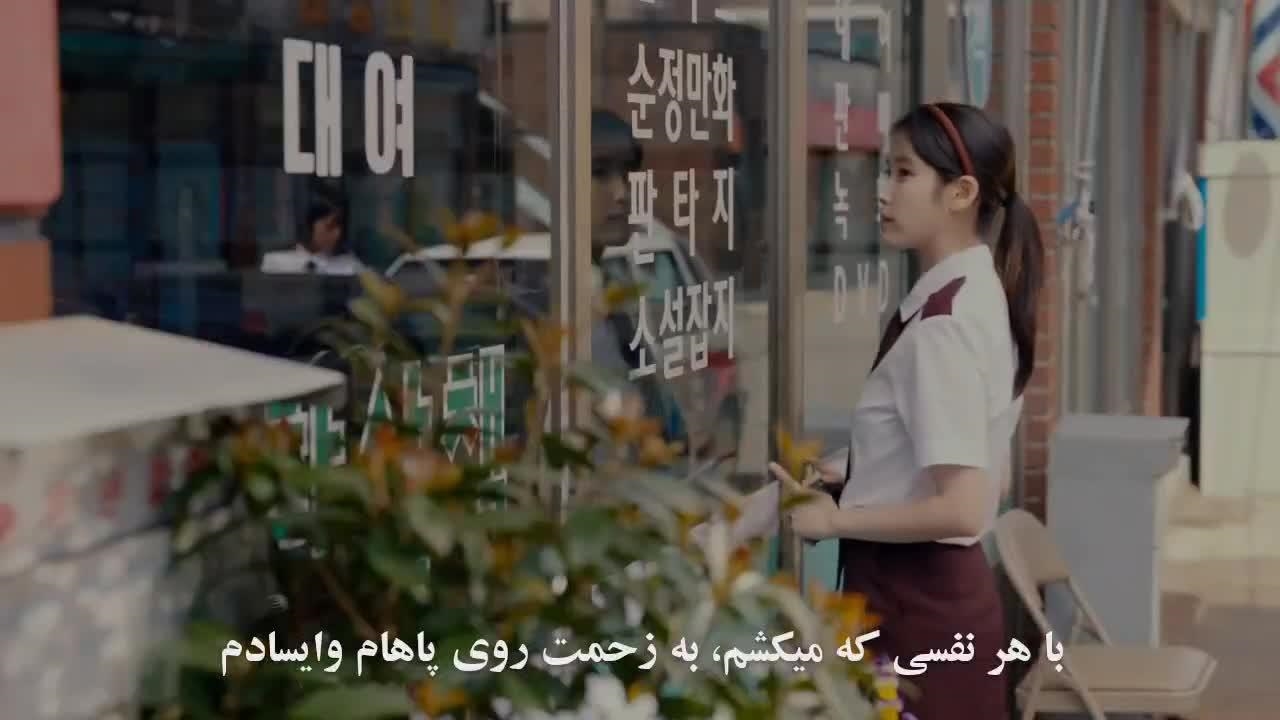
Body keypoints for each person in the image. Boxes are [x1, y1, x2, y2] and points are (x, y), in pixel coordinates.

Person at [768, 102, 1044, 719]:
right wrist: (867, 466)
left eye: (903, 173)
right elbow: (978, 467)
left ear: (961, 193)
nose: (883, 192)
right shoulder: (972, 295)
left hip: (917, 608)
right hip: (933, 604)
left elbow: (966, 504)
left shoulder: (944, 324)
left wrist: (835, 521)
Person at [261, 188, 363, 275]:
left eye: (340, 227)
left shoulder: (350, 266)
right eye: (330, 226)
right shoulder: (276, 263)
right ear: (310, 224)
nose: (337, 234)